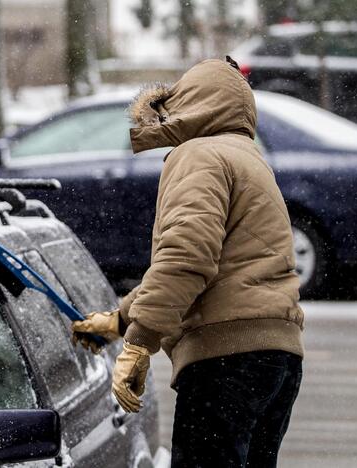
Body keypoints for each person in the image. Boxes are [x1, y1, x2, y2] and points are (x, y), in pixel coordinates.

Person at [72, 58, 304, 468]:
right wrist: (119, 321)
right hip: (277, 359)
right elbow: (215, 266)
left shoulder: (198, 155)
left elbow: (186, 257)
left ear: (193, 105)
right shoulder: (248, 157)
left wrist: (140, 344)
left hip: (225, 361)